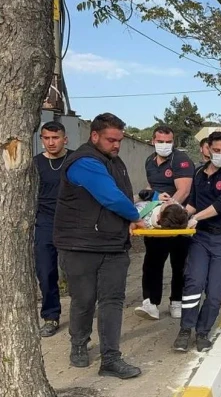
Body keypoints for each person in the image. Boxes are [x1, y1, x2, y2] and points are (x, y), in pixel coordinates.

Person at [54, 113, 146, 379]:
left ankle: (111, 359)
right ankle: (79, 343)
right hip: (81, 245)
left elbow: (122, 196)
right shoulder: (84, 161)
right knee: (84, 300)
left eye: (119, 140)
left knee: (112, 301)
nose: (116, 145)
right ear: (94, 136)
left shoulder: (115, 161)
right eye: (111, 140)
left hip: (113, 245)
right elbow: (111, 197)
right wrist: (136, 217)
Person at [174, 131, 221, 353]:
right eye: (217, 150)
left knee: (215, 291)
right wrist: (176, 214)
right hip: (201, 238)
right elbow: (193, 203)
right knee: (193, 283)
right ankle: (185, 329)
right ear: (208, 149)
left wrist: (196, 218)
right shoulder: (198, 173)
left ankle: (203, 331)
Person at [135, 126, 195, 321]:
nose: (164, 145)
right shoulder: (150, 161)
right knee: (152, 262)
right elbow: (151, 186)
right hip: (157, 219)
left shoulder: (181, 160)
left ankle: (176, 301)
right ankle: (150, 303)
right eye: (160, 141)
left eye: (168, 141)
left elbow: (184, 191)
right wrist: (149, 201)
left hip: (177, 219)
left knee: (179, 263)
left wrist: (168, 209)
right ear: (153, 141)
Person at [33, 121, 72, 337]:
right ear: (41, 140)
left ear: (65, 139)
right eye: (46, 138)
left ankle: (82, 309)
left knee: (77, 271)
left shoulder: (75, 160)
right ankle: (50, 316)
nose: (51, 142)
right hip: (45, 222)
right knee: (46, 271)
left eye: (55, 138)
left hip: (72, 222)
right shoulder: (35, 163)